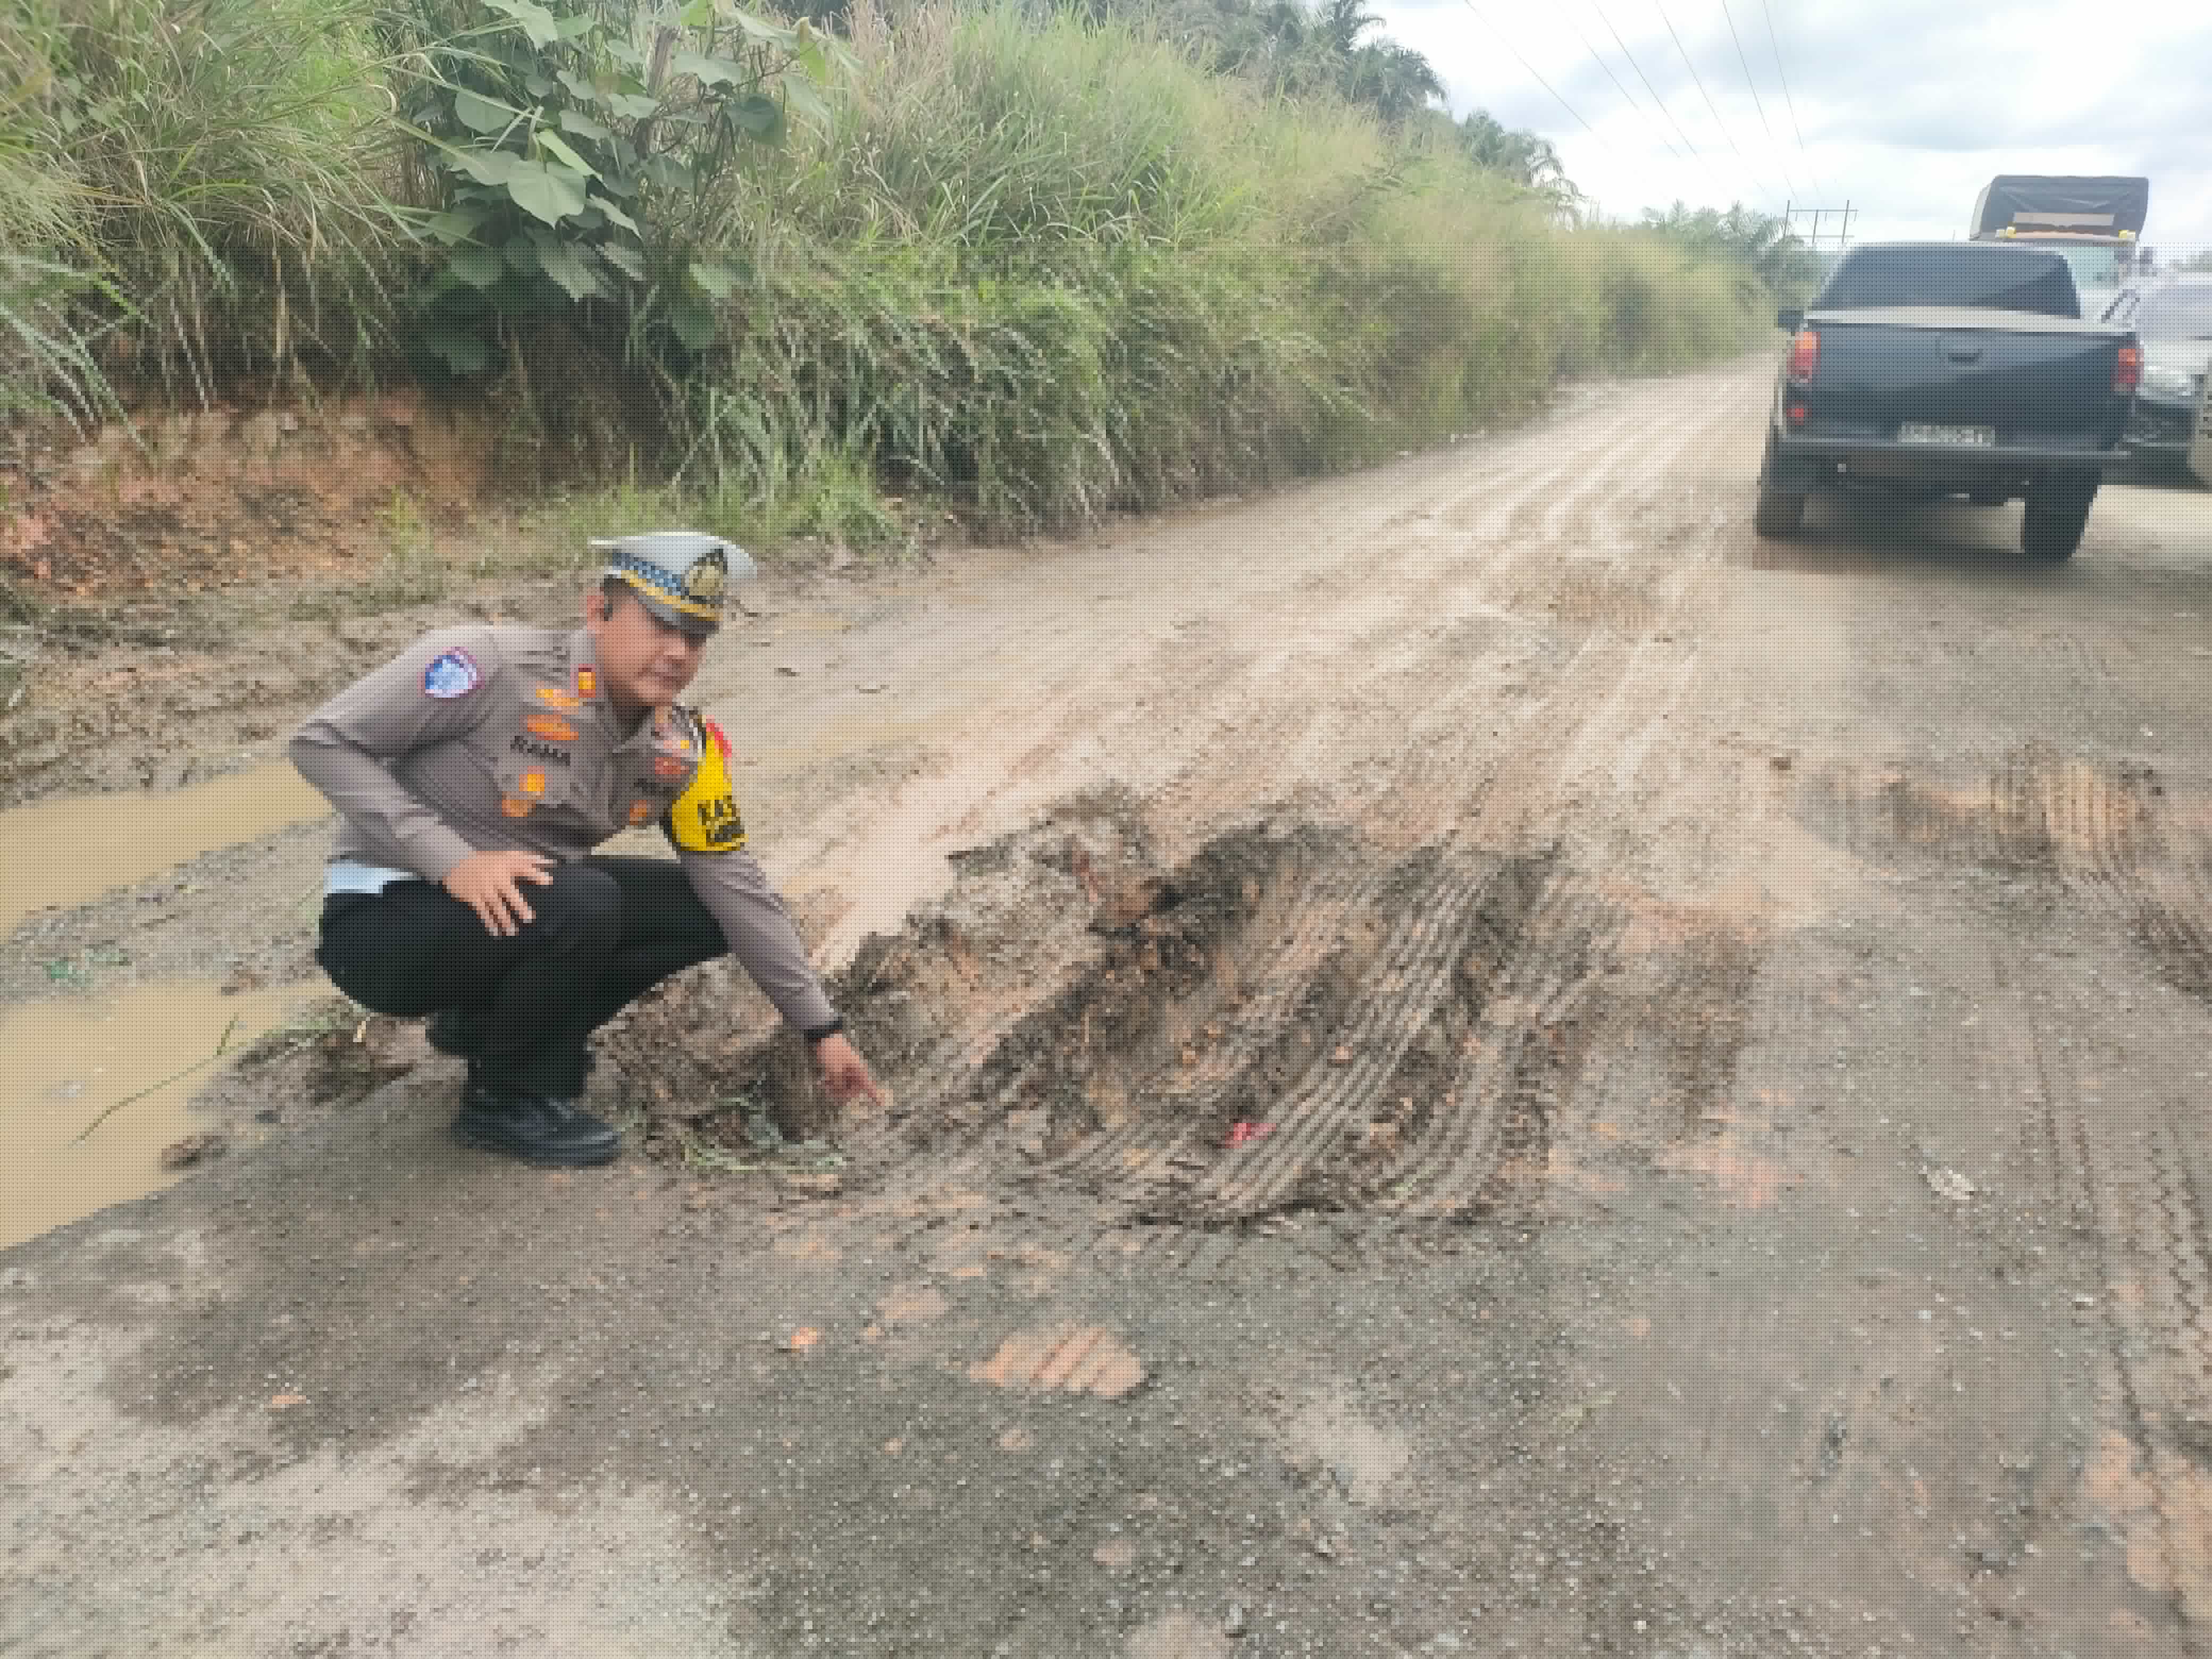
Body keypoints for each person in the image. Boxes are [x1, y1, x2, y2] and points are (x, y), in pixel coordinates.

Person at [288, 529, 885, 1167]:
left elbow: (735, 883)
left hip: (517, 917)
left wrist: (822, 1031)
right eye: (659, 625)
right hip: (384, 928)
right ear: (597, 611)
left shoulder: (684, 749)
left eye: (696, 636)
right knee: (586, 900)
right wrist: (451, 861)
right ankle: (505, 1099)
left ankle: (489, 1030)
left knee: (707, 911)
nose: (677, 652)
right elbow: (322, 743)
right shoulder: (487, 664)